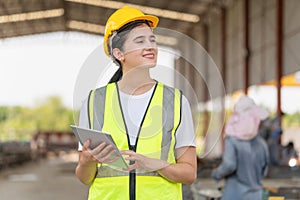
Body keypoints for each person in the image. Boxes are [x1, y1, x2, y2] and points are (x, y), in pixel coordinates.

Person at [75, 6, 197, 200]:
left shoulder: (176, 102)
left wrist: (154, 164)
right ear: (119, 54)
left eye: (152, 40)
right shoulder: (93, 102)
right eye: (140, 41)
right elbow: (85, 177)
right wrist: (87, 162)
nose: (150, 46)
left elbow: (189, 174)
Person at [212, 96, 270, 200]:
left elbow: (229, 165)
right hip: (256, 196)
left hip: (234, 195)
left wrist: (216, 174)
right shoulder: (262, 144)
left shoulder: (232, 141)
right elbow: (264, 171)